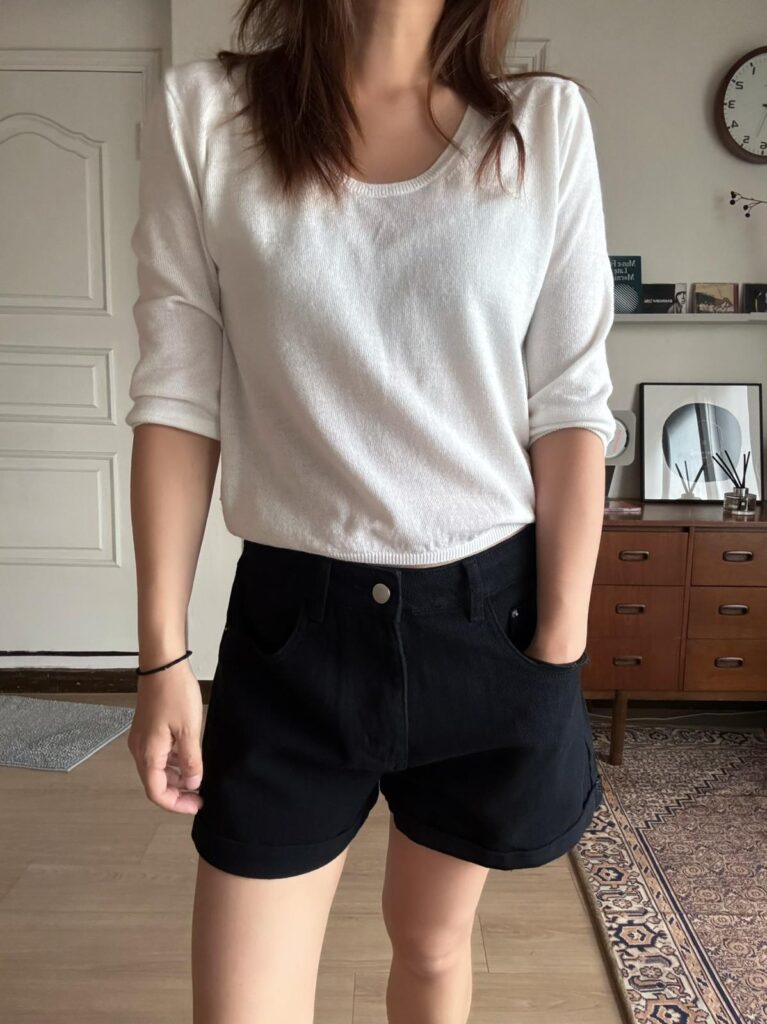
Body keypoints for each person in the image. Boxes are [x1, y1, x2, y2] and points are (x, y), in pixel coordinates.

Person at [125, 1, 615, 1021]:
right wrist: (161, 656)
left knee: (430, 949)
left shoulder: (542, 127)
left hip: (490, 621)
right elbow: (177, 394)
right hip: (293, 632)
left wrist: (557, 650)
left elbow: (569, 405)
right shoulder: (205, 116)